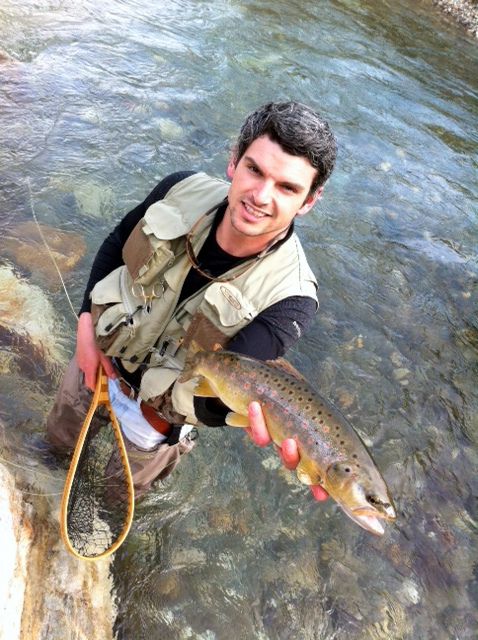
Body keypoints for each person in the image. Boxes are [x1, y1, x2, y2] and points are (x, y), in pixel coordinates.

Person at [46, 101, 337, 501]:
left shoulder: (292, 301)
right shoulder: (179, 188)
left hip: (156, 422)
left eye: (287, 188)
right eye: (255, 170)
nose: (261, 196)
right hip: (95, 359)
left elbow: (229, 387)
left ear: (308, 201)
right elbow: (118, 242)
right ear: (233, 161)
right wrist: (85, 325)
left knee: (115, 498)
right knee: (53, 446)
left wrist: (163, 422)